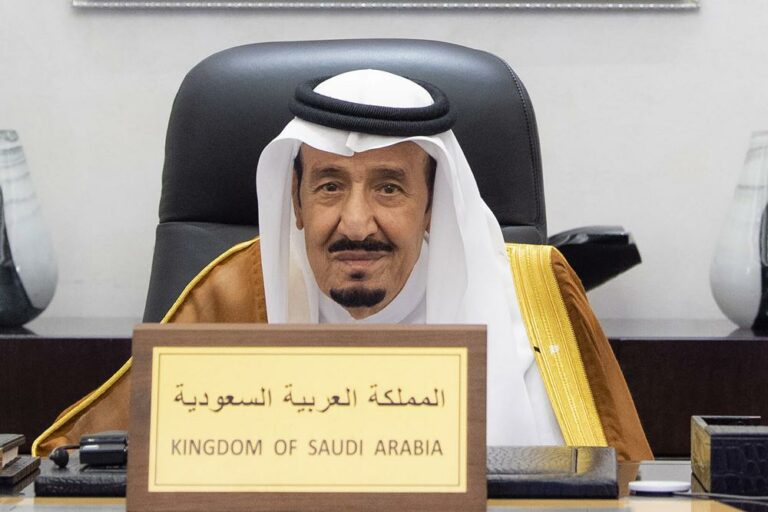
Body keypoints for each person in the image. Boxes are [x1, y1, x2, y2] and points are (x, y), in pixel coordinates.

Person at [33, 70, 652, 461]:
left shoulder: (536, 293)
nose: (356, 224)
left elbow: (632, 483)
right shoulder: (235, 290)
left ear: (432, 205)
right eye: (329, 186)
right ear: (296, 202)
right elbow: (69, 462)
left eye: (389, 188)